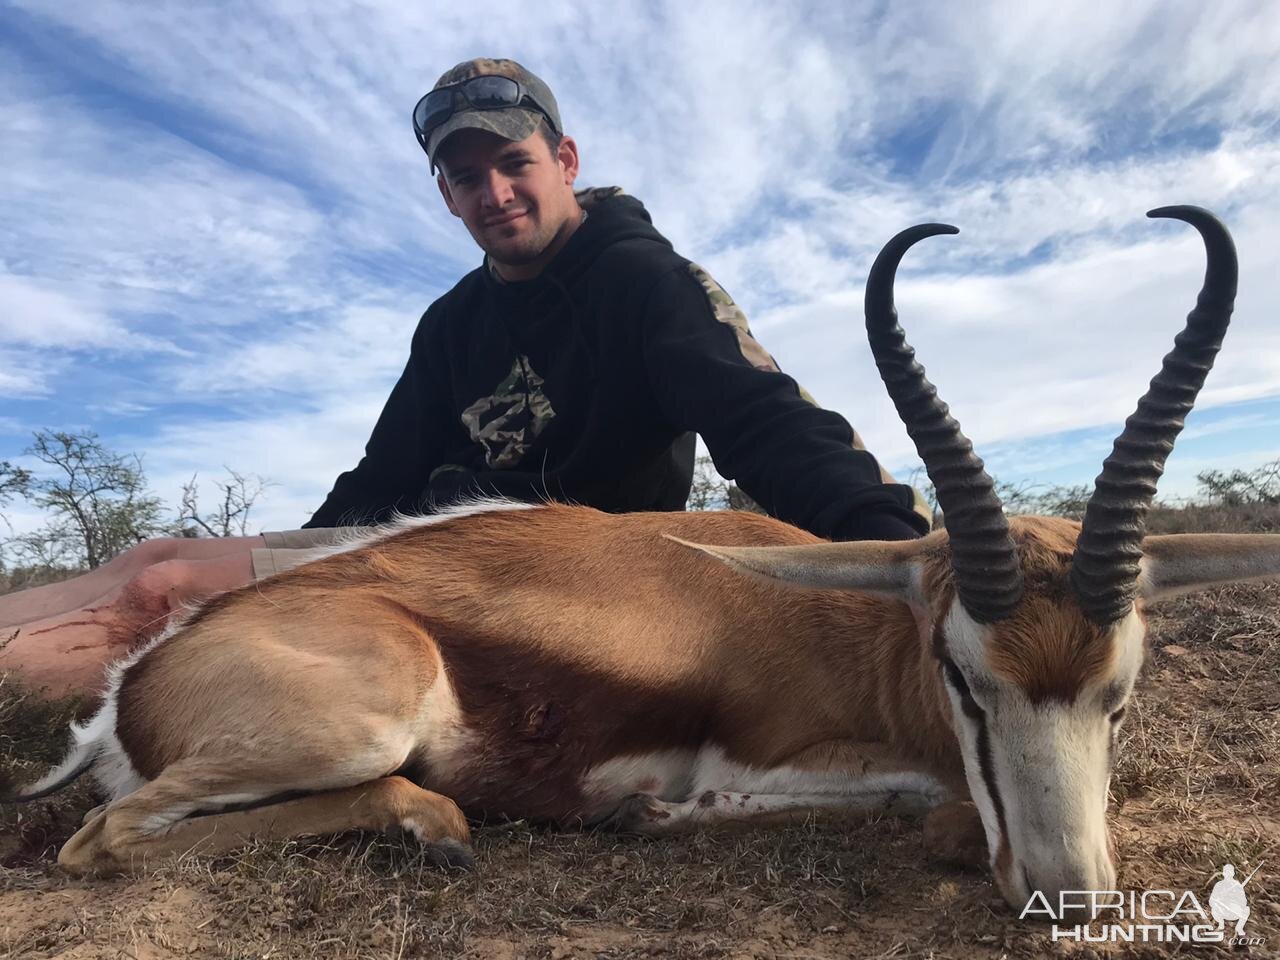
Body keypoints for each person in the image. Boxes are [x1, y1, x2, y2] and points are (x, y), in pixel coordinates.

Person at [0, 58, 927, 699]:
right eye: (466, 175)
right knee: (150, 559)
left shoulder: (645, 280)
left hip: (560, 570)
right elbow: (382, 477)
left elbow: (765, 422)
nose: (496, 194)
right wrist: (297, 560)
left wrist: (897, 549)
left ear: (564, 161)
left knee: (163, 601)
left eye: (514, 162)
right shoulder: (451, 321)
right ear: (445, 192)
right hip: (435, 542)